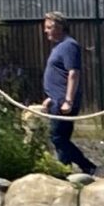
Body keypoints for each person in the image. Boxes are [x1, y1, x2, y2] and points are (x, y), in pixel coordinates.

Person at [41, 12, 92, 175]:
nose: (46, 31)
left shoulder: (69, 45)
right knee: (60, 138)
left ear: (60, 27)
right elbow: (59, 75)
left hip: (64, 101)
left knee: (58, 137)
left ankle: (87, 166)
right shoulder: (59, 46)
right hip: (57, 99)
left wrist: (68, 100)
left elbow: (73, 73)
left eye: (49, 28)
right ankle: (65, 170)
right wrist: (50, 98)